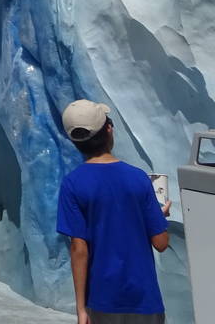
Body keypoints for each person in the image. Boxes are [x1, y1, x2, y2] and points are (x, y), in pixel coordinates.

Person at [56, 99, 170, 324]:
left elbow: (79, 248)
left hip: (101, 300)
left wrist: (81, 309)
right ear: (109, 129)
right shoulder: (138, 178)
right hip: (144, 299)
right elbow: (161, 243)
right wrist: (160, 216)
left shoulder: (73, 183)